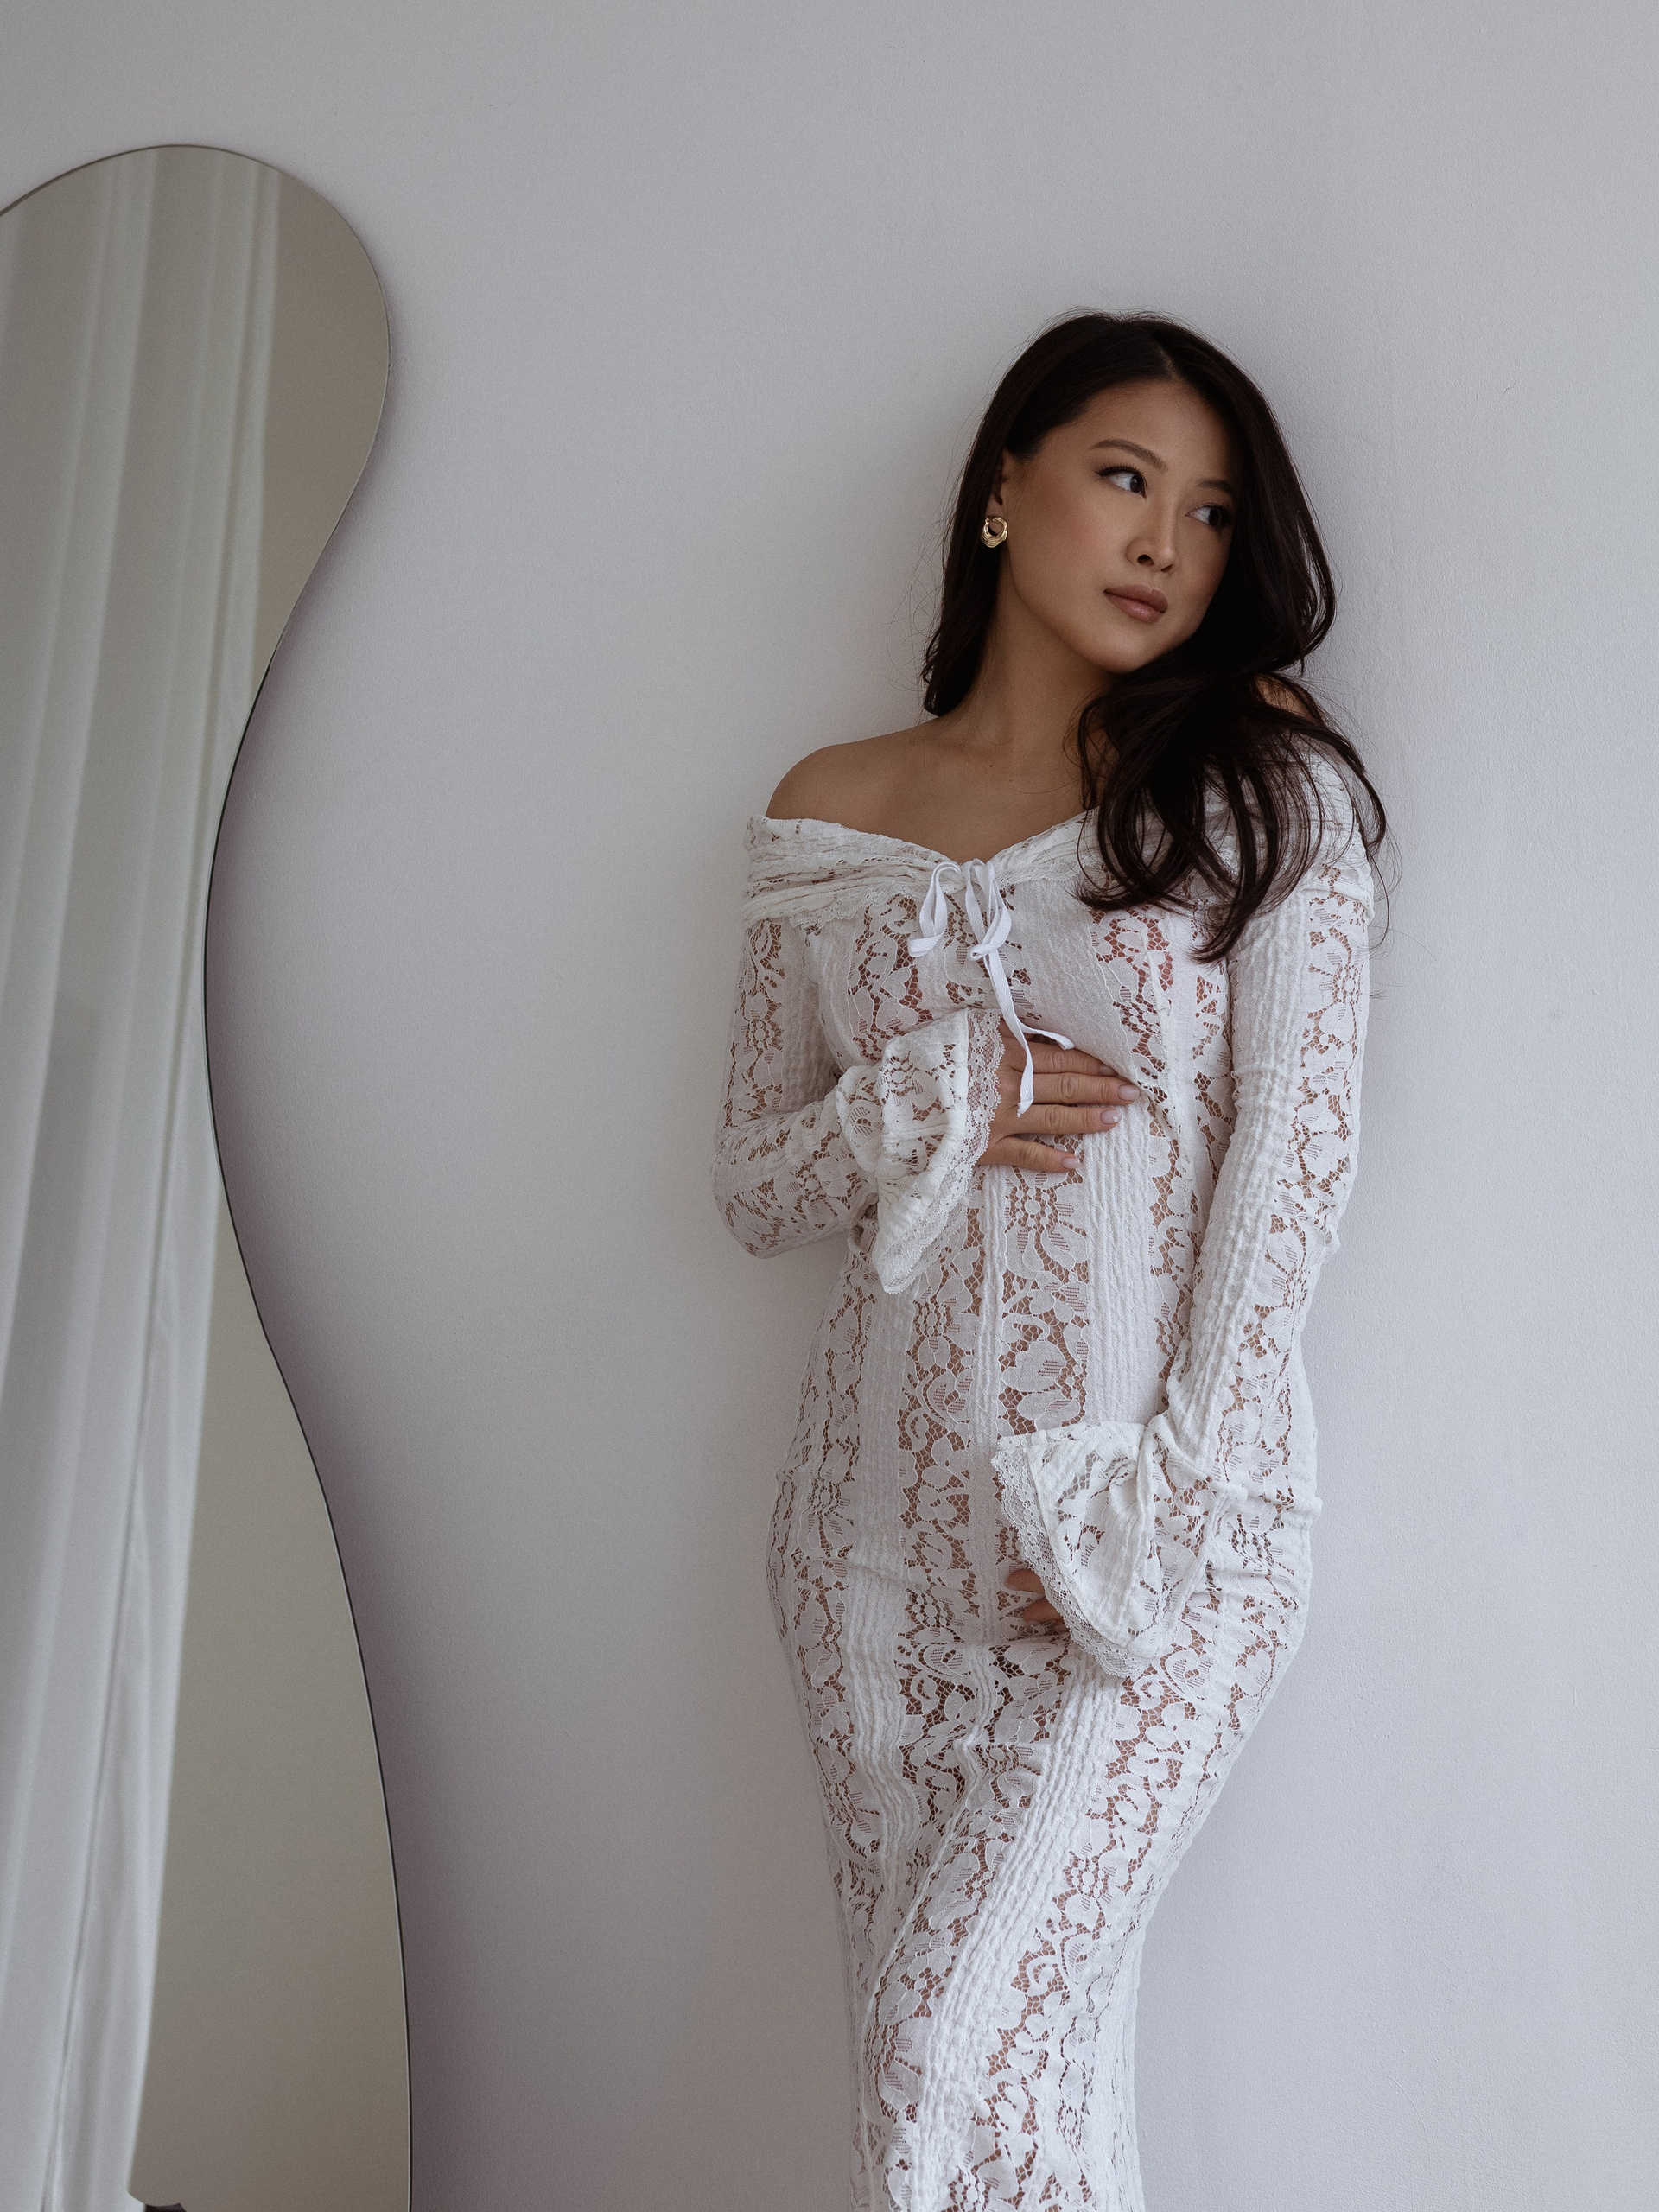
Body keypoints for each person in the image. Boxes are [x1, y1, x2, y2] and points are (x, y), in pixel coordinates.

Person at [711, 311, 1385, 2211]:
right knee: (1025, 2117)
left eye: (1214, 511)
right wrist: (932, 1091)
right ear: (1006, 488)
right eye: (1126, 478)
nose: (1169, 541)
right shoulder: (832, 806)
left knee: (938, 2056)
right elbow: (754, 1181)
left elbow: (1297, 1161)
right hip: (868, 1551)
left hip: (1158, 1535)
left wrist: (1160, 1507)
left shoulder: (1262, 788)